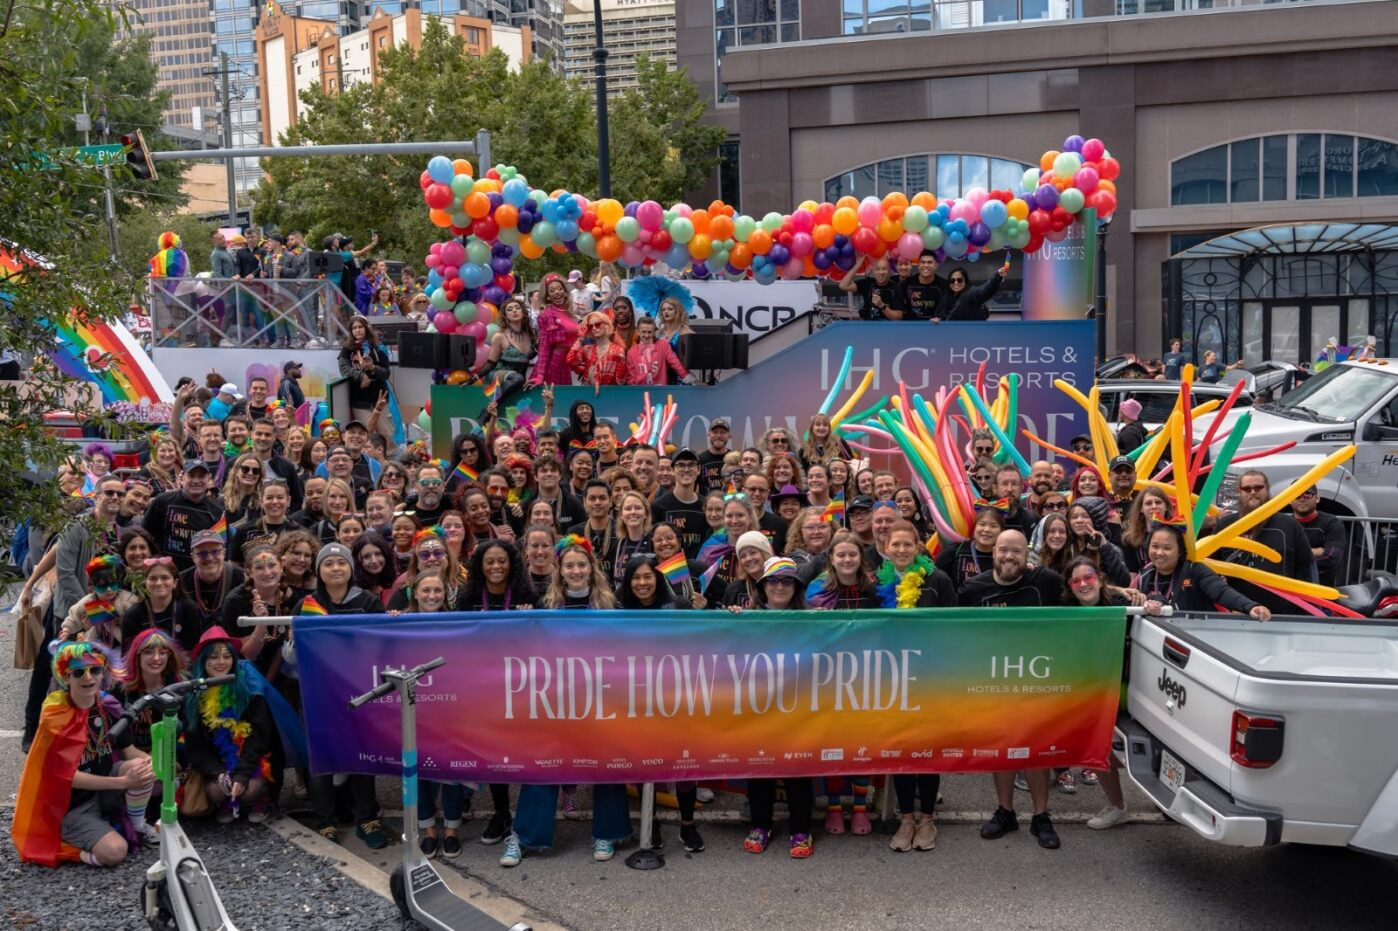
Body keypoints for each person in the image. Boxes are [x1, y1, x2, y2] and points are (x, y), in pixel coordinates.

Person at [12, 642, 159, 867]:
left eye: (95, 670)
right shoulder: (56, 718)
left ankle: (137, 826)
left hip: (105, 791)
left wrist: (156, 765)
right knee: (115, 852)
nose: (88, 677)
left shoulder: (108, 706)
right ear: (66, 678)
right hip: (72, 806)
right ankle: (70, 848)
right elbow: (70, 777)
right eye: (78, 672)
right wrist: (122, 782)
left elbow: (130, 752)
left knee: (141, 765)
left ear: (103, 673)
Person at [290, 543, 386, 846]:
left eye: (341, 563)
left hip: (359, 691)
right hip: (317, 693)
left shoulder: (369, 602)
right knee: (321, 758)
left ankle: (367, 819)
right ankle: (325, 820)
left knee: (361, 756)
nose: (335, 568)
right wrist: (294, 644)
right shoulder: (306, 605)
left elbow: (383, 644)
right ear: (318, 570)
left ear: (351, 569)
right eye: (328, 563)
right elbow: (291, 659)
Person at [739, 557, 816, 858]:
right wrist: (734, 619)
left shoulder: (812, 619)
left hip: (799, 706)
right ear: (763, 587)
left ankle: (801, 829)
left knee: (799, 767)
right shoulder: (748, 617)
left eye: (786, 581)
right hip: (760, 706)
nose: (780, 586)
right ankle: (760, 824)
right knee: (760, 766)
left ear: (795, 587)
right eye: (773, 581)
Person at [181, 626, 289, 824]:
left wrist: (242, 774)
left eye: (226, 656)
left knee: (250, 790)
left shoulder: (250, 691)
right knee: (216, 791)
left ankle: (262, 798)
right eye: (213, 657)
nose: (221, 662)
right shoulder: (193, 697)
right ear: (203, 661)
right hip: (219, 762)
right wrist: (218, 773)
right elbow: (194, 747)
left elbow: (260, 739)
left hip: (253, 761)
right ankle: (226, 800)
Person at [1061, 556, 1138, 830]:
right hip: (1092, 688)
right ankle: (1118, 806)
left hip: (1130, 688)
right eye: (1076, 580)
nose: (1083, 584)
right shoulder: (1065, 609)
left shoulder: (1124, 605)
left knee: (1102, 744)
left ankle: (1137, 771)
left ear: (1100, 578)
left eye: (1089, 577)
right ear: (1069, 586)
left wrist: (1148, 601)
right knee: (1093, 743)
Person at [1215, 470, 1315, 614]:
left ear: (1267, 489)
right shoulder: (1226, 525)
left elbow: (1306, 568)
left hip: (1282, 613)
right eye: (1247, 488)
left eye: (1258, 487)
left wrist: (1306, 611)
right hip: (1239, 613)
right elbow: (1209, 570)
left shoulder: (1288, 524)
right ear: (1239, 491)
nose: (1253, 492)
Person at [1138, 518, 1270, 620]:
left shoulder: (1194, 570)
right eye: (1154, 546)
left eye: (1167, 548)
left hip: (1198, 639)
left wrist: (1250, 606)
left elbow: (1221, 592)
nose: (1159, 553)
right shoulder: (1145, 575)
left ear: (1179, 551)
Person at [53, 473, 126, 622]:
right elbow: (65, 573)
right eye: (109, 492)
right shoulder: (77, 526)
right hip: (75, 615)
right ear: (96, 496)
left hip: (108, 614)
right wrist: (92, 609)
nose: (115, 497)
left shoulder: (121, 533)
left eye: (120, 494)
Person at [142, 460, 225, 575]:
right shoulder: (162, 501)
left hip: (197, 574)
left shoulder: (217, 512)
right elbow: (144, 534)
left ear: (208, 479)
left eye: (201, 476)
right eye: (191, 476)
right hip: (164, 573)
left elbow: (220, 550)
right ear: (182, 478)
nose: (196, 481)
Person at [339, 316, 395, 451]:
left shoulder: (378, 348)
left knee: (386, 433)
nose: (357, 330)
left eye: (360, 327)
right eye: (354, 328)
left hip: (379, 398)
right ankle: (369, 464)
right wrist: (361, 375)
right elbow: (344, 369)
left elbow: (386, 373)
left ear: (366, 328)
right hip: (359, 400)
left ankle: (388, 463)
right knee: (366, 434)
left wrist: (372, 368)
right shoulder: (347, 350)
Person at [482, 297, 537, 404]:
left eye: (517, 308)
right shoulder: (499, 336)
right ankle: (490, 407)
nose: (514, 311)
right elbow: (490, 364)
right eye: (510, 309)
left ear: (523, 311)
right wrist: (473, 379)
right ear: (505, 315)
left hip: (517, 382)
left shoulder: (532, 335)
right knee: (518, 378)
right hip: (498, 377)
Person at [1290, 485, 1346, 587]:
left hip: (1322, 590)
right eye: (1297, 495)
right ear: (1289, 500)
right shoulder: (1284, 524)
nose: (1302, 499)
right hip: (1289, 589)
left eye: (1307, 494)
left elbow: (1332, 558)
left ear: (1317, 498)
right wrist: (1312, 552)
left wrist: (1291, 558)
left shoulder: (1332, 523)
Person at [531, 273, 579, 387]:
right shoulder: (546, 315)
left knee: (564, 400)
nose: (557, 292)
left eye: (559, 289)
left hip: (566, 362)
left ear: (565, 292)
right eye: (552, 291)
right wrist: (540, 375)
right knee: (552, 399)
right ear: (548, 296)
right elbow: (544, 347)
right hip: (553, 362)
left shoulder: (570, 313)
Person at [568, 310, 629, 387]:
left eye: (597, 324)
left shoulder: (617, 350)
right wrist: (580, 339)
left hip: (609, 394)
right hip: (589, 394)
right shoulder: (587, 349)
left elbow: (621, 381)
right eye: (590, 326)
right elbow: (570, 361)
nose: (594, 328)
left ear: (606, 325)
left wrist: (622, 363)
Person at [626, 314, 690, 386]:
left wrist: (690, 379)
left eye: (649, 332)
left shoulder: (663, 345)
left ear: (654, 332)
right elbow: (631, 377)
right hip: (640, 390)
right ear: (637, 331)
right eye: (643, 332)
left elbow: (675, 363)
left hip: (660, 389)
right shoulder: (631, 351)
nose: (646, 335)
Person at [942, 259, 1008, 321]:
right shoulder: (947, 299)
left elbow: (985, 290)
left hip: (974, 332)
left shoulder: (970, 294)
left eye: (960, 280)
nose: (956, 283)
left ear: (966, 282)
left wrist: (997, 277)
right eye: (952, 280)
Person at [838, 255, 900, 320]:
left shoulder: (895, 287)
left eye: (884, 269)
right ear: (873, 271)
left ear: (889, 271)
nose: (881, 272)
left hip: (888, 328)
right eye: (877, 269)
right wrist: (856, 267)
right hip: (868, 328)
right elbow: (843, 285)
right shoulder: (867, 283)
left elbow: (898, 317)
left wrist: (882, 305)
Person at [892, 250, 945, 321]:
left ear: (936, 266)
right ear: (918, 265)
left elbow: (947, 309)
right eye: (923, 262)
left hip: (935, 327)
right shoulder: (904, 285)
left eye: (929, 262)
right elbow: (898, 313)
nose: (926, 265)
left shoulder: (944, 285)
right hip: (912, 327)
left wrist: (941, 318)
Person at [697, 418, 732, 492]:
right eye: (715, 432)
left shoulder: (735, 459)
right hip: (707, 503)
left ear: (729, 436)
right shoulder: (699, 460)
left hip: (731, 503)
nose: (719, 435)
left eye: (722, 432)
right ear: (709, 434)